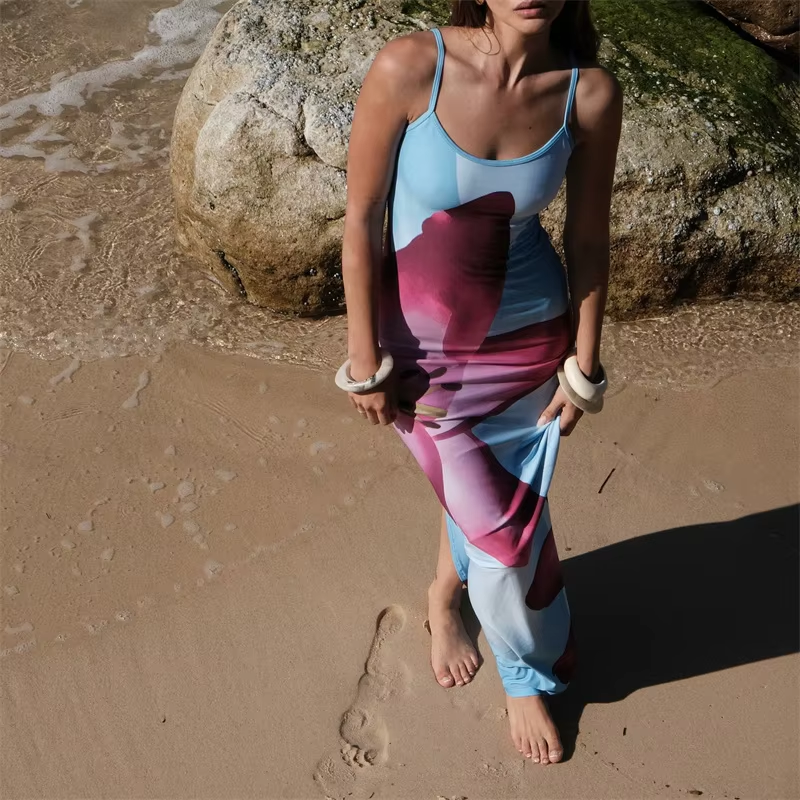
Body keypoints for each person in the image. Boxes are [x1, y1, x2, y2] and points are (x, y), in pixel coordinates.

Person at [337, 0, 622, 765]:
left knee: (487, 492)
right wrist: (363, 359)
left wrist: (584, 365)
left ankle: (444, 597)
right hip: (421, 356)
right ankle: (524, 672)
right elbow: (362, 218)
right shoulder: (411, 67)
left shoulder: (588, 93)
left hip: (529, 338)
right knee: (502, 532)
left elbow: (588, 239)